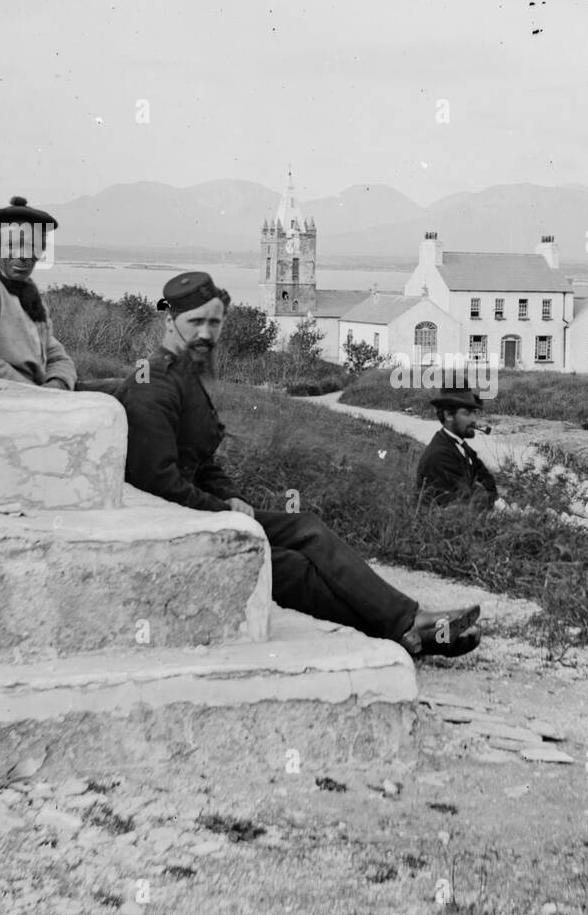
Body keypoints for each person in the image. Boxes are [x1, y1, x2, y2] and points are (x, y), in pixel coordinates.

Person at [118, 271, 482, 659]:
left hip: (197, 511)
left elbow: (203, 464)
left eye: (215, 322)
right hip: (171, 520)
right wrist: (225, 511)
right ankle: (409, 627)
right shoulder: (153, 383)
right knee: (290, 561)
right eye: (195, 322)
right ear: (168, 322)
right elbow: (156, 482)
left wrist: (232, 496)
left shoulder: (185, 377)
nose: (206, 334)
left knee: (302, 534)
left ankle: (407, 626)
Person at [0, 195, 75, 390]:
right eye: (12, 246)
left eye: (32, 247)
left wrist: (59, 382)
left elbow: (55, 353)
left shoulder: (30, 294)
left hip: (44, 392)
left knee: (127, 389)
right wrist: (35, 392)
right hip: (14, 396)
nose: (23, 256)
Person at [416, 389, 498, 510]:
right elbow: (463, 505)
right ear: (448, 415)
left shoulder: (461, 446)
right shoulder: (440, 456)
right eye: (467, 413)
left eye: (475, 413)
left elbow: (488, 481)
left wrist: (493, 499)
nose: (474, 419)